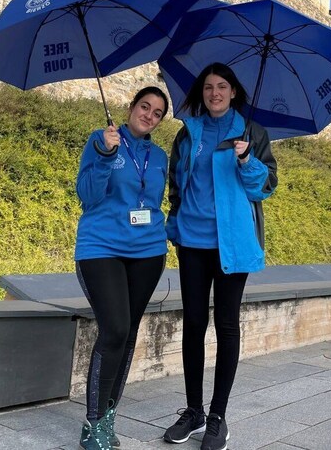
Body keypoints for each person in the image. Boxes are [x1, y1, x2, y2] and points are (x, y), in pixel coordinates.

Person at [162, 63, 277, 450]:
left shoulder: (251, 133)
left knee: (226, 325)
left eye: (222, 86)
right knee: (194, 323)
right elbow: (176, 183)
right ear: (201, 92)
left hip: (233, 243)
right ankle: (193, 411)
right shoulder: (187, 133)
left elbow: (265, 188)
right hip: (192, 241)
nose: (215, 93)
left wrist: (247, 160)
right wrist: (174, 223)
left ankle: (218, 417)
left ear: (233, 92)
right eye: (208, 87)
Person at [74, 86, 170, 450]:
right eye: (144, 106)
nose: (149, 114)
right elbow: (87, 195)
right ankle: (94, 423)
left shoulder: (159, 156)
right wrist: (105, 155)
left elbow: (157, 200)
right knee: (113, 329)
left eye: (157, 112)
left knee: (128, 333)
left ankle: (110, 414)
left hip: (147, 252)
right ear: (131, 108)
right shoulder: (101, 141)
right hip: (101, 248)